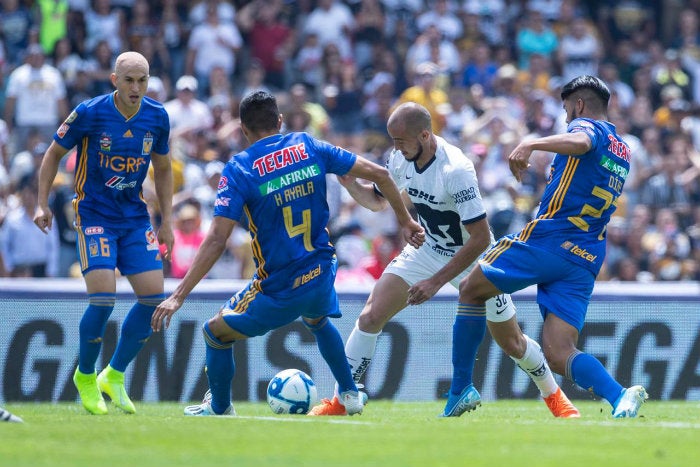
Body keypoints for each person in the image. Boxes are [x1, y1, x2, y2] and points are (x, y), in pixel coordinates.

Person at [150, 90, 424, 417]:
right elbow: (381, 175)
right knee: (318, 321)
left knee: (214, 332)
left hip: (278, 287)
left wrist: (179, 294)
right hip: (321, 272)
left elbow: (216, 240)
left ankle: (220, 408)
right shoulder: (308, 145)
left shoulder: (239, 169)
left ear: (243, 129)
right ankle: (350, 393)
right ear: (279, 121)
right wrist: (406, 220)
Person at [310, 102, 579, 418]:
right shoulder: (400, 158)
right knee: (371, 315)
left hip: (473, 257)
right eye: (392, 140)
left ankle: (556, 398)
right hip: (428, 249)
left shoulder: (456, 170)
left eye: (400, 141)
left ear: (424, 135)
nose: (394, 148)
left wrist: (435, 282)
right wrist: (350, 183)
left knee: (513, 344)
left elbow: (479, 237)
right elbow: (377, 202)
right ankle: (343, 399)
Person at [458, 75, 648, 418]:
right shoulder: (622, 148)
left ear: (578, 105)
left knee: (471, 288)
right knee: (560, 352)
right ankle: (619, 395)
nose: (565, 120)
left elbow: (581, 140)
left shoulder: (592, 130)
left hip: (551, 239)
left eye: (565, 111)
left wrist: (532, 143)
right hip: (585, 255)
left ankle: (459, 389)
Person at [33, 51, 174, 415]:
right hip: (94, 213)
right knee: (103, 299)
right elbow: (51, 155)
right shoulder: (89, 112)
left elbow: (163, 168)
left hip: (134, 217)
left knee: (153, 299)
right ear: (114, 79)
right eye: (129, 80)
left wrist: (168, 221)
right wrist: (41, 203)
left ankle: (113, 373)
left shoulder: (157, 116)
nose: (136, 87)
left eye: (142, 80)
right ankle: (84, 374)